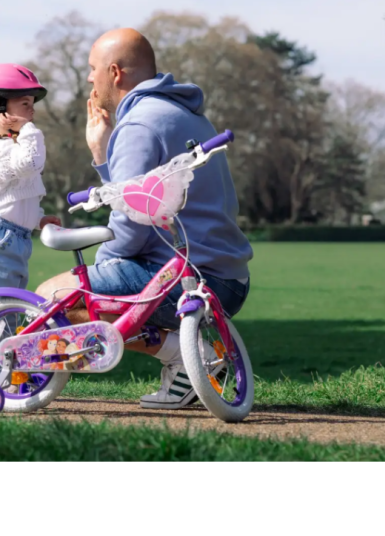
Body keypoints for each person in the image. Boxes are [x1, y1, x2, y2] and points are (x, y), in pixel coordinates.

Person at [36, 28, 252, 410]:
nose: (89, 78)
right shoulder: (186, 115)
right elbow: (142, 198)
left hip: (186, 278)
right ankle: (186, 362)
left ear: (115, 72)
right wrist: (102, 153)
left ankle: (183, 355)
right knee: (89, 294)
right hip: (228, 278)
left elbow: (130, 228)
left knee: (53, 296)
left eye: (93, 68)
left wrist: (102, 268)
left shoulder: (138, 125)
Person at [0, 64, 61, 316]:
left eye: (32, 104)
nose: (32, 111)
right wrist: (28, 129)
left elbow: (19, 195)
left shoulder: (13, 146)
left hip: (16, 238)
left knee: (11, 310)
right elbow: (31, 164)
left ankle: (5, 345)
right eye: (25, 104)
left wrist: (37, 219)